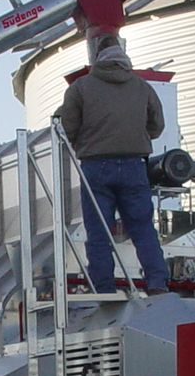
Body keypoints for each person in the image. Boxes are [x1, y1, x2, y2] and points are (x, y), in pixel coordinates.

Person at [58, 25, 171, 295]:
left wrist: (82, 143)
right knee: (143, 228)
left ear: (97, 58)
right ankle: (157, 282)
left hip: (96, 166)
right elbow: (157, 125)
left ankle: (104, 288)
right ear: (122, 56)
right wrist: (137, 138)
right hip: (134, 166)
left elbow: (66, 126)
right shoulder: (142, 87)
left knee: (98, 232)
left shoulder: (81, 87)